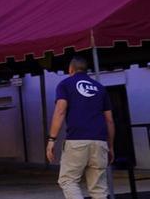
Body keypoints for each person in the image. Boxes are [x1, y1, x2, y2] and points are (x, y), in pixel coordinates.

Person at [47, 56, 115, 199]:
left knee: (68, 180)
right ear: (86, 70)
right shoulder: (100, 88)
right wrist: (111, 146)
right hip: (100, 142)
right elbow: (109, 121)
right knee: (99, 189)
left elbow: (60, 111)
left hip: (77, 140)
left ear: (70, 69)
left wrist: (52, 139)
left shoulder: (65, 84)